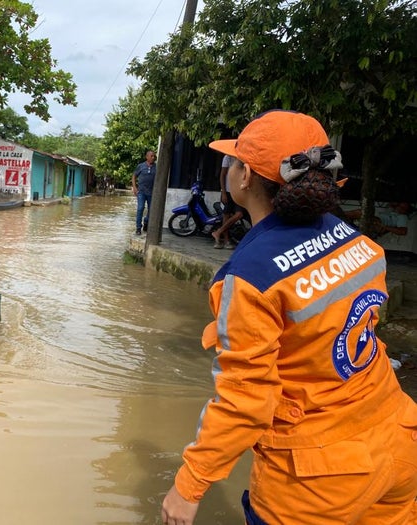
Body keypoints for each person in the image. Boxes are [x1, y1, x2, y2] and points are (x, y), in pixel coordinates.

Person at [161, 110, 417, 525]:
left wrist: (189, 485)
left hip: (318, 479)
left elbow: (245, 400)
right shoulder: (357, 242)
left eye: (233, 162)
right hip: (399, 439)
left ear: (245, 177)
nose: (229, 171)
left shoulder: (250, 276)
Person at [212, 154, 246, 249]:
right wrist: (223, 192)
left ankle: (218, 232)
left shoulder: (243, 158)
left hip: (238, 191)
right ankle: (226, 241)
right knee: (226, 215)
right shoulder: (227, 158)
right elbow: (222, 175)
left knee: (239, 214)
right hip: (227, 191)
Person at [345, 201, 412, 237]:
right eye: (400, 205)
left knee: (362, 213)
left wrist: (385, 227)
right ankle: (341, 214)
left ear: (406, 211)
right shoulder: (391, 209)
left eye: (403, 208)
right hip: (375, 219)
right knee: (360, 212)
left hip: (379, 225)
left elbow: (403, 232)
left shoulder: (402, 217)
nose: (399, 208)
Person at [132, 150, 156, 235]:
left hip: (152, 192)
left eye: (154, 156)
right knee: (140, 208)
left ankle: (146, 222)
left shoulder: (156, 167)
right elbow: (134, 176)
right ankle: (138, 227)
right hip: (141, 192)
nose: (153, 157)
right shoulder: (141, 166)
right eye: (151, 156)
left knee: (151, 210)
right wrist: (134, 187)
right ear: (147, 157)